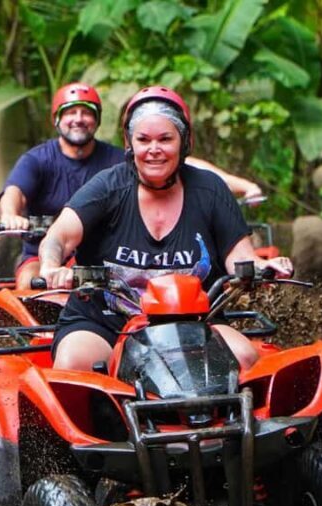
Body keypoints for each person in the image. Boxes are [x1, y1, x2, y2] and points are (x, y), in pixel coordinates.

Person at [38, 86, 293, 373]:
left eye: (165, 139)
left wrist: (262, 267)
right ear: (129, 143)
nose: (154, 149)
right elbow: (58, 237)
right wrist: (50, 266)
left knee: (244, 357)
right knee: (74, 363)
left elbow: (240, 257)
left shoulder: (210, 190)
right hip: (106, 321)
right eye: (143, 139)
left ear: (185, 142)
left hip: (194, 321)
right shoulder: (107, 187)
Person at [0, 82, 264, 288]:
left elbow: (192, 167)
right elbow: (14, 192)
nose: (78, 118)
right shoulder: (39, 160)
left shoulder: (123, 157)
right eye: (71, 112)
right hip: (55, 257)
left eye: (86, 112)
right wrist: (11, 216)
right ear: (56, 119)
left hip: (108, 266)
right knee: (34, 283)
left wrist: (244, 186)